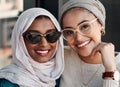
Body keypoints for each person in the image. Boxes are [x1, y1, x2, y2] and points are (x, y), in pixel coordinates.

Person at [59, 0, 120, 87]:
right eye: (69, 32)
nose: (79, 38)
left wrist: (110, 70)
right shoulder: (61, 57)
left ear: (101, 25)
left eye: (84, 26)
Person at [0, 8, 64, 87]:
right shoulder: (6, 83)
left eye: (51, 35)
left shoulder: (60, 77)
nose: (44, 44)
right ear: (20, 41)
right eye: (34, 37)